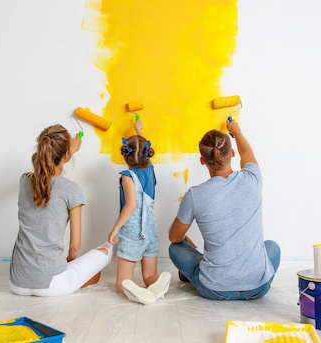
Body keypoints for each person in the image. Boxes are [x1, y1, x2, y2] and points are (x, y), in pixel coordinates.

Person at [168, 118, 281, 300]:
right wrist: (235, 131)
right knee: (272, 247)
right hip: (259, 287)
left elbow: (174, 237)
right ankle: (251, 279)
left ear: (202, 161)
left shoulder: (195, 195)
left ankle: (194, 275)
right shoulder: (253, 178)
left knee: (175, 248)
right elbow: (248, 152)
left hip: (215, 289)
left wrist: (183, 239)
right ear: (233, 153)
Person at [9, 124, 114, 296]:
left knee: (90, 273)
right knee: (108, 251)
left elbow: (41, 175)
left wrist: (65, 153)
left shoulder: (24, 181)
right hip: (52, 285)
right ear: (66, 154)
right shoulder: (71, 189)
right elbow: (75, 246)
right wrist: (70, 265)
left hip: (17, 282)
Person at [108, 119, 171, 305]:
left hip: (133, 233)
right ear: (147, 154)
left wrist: (115, 229)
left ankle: (130, 288)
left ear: (125, 156)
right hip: (150, 230)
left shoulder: (128, 176)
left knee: (121, 280)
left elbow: (131, 206)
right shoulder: (150, 170)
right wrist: (138, 129)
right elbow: (143, 154)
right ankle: (157, 282)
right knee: (149, 275)